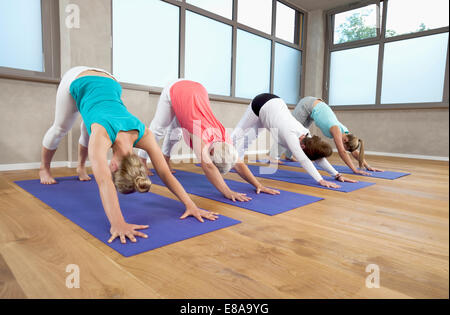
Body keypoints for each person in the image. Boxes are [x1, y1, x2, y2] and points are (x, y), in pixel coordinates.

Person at [40, 66, 218, 244]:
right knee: (60, 128)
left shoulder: (143, 132)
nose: (108, 170)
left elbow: (164, 173)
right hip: (77, 78)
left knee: (89, 125)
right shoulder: (102, 134)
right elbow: (104, 182)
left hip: (111, 81)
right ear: (114, 167)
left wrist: (191, 205)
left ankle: (80, 167)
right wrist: (118, 223)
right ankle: (44, 168)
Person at [138, 79, 280, 201]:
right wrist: (227, 192)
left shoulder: (226, 140)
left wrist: (258, 185)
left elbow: (238, 164)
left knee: (177, 131)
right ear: (210, 153)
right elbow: (208, 166)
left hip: (198, 90)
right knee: (159, 128)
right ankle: (141, 161)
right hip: (177, 88)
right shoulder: (201, 136)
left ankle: (166, 160)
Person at [232, 94, 357, 188]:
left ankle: (236, 161)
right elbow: (304, 160)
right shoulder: (291, 136)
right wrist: (320, 180)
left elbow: (319, 157)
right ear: (303, 146)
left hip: (274, 107)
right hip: (262, 102)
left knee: (250, 137)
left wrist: (337, 175)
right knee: (238, 134)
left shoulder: (309, 137)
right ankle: (219, 154)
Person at [272, 97, 383, 175]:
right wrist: (355, 170)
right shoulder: (336, 130)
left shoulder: (347, 134)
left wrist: (367, 166)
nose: (347, 150)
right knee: (290, 130)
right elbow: (342, 152)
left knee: (301, 134)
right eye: (346, 148)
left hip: (314, 109)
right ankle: (274, 157)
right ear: (345, 140)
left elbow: (354, 151)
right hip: (307, 105)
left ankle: (288, 156)